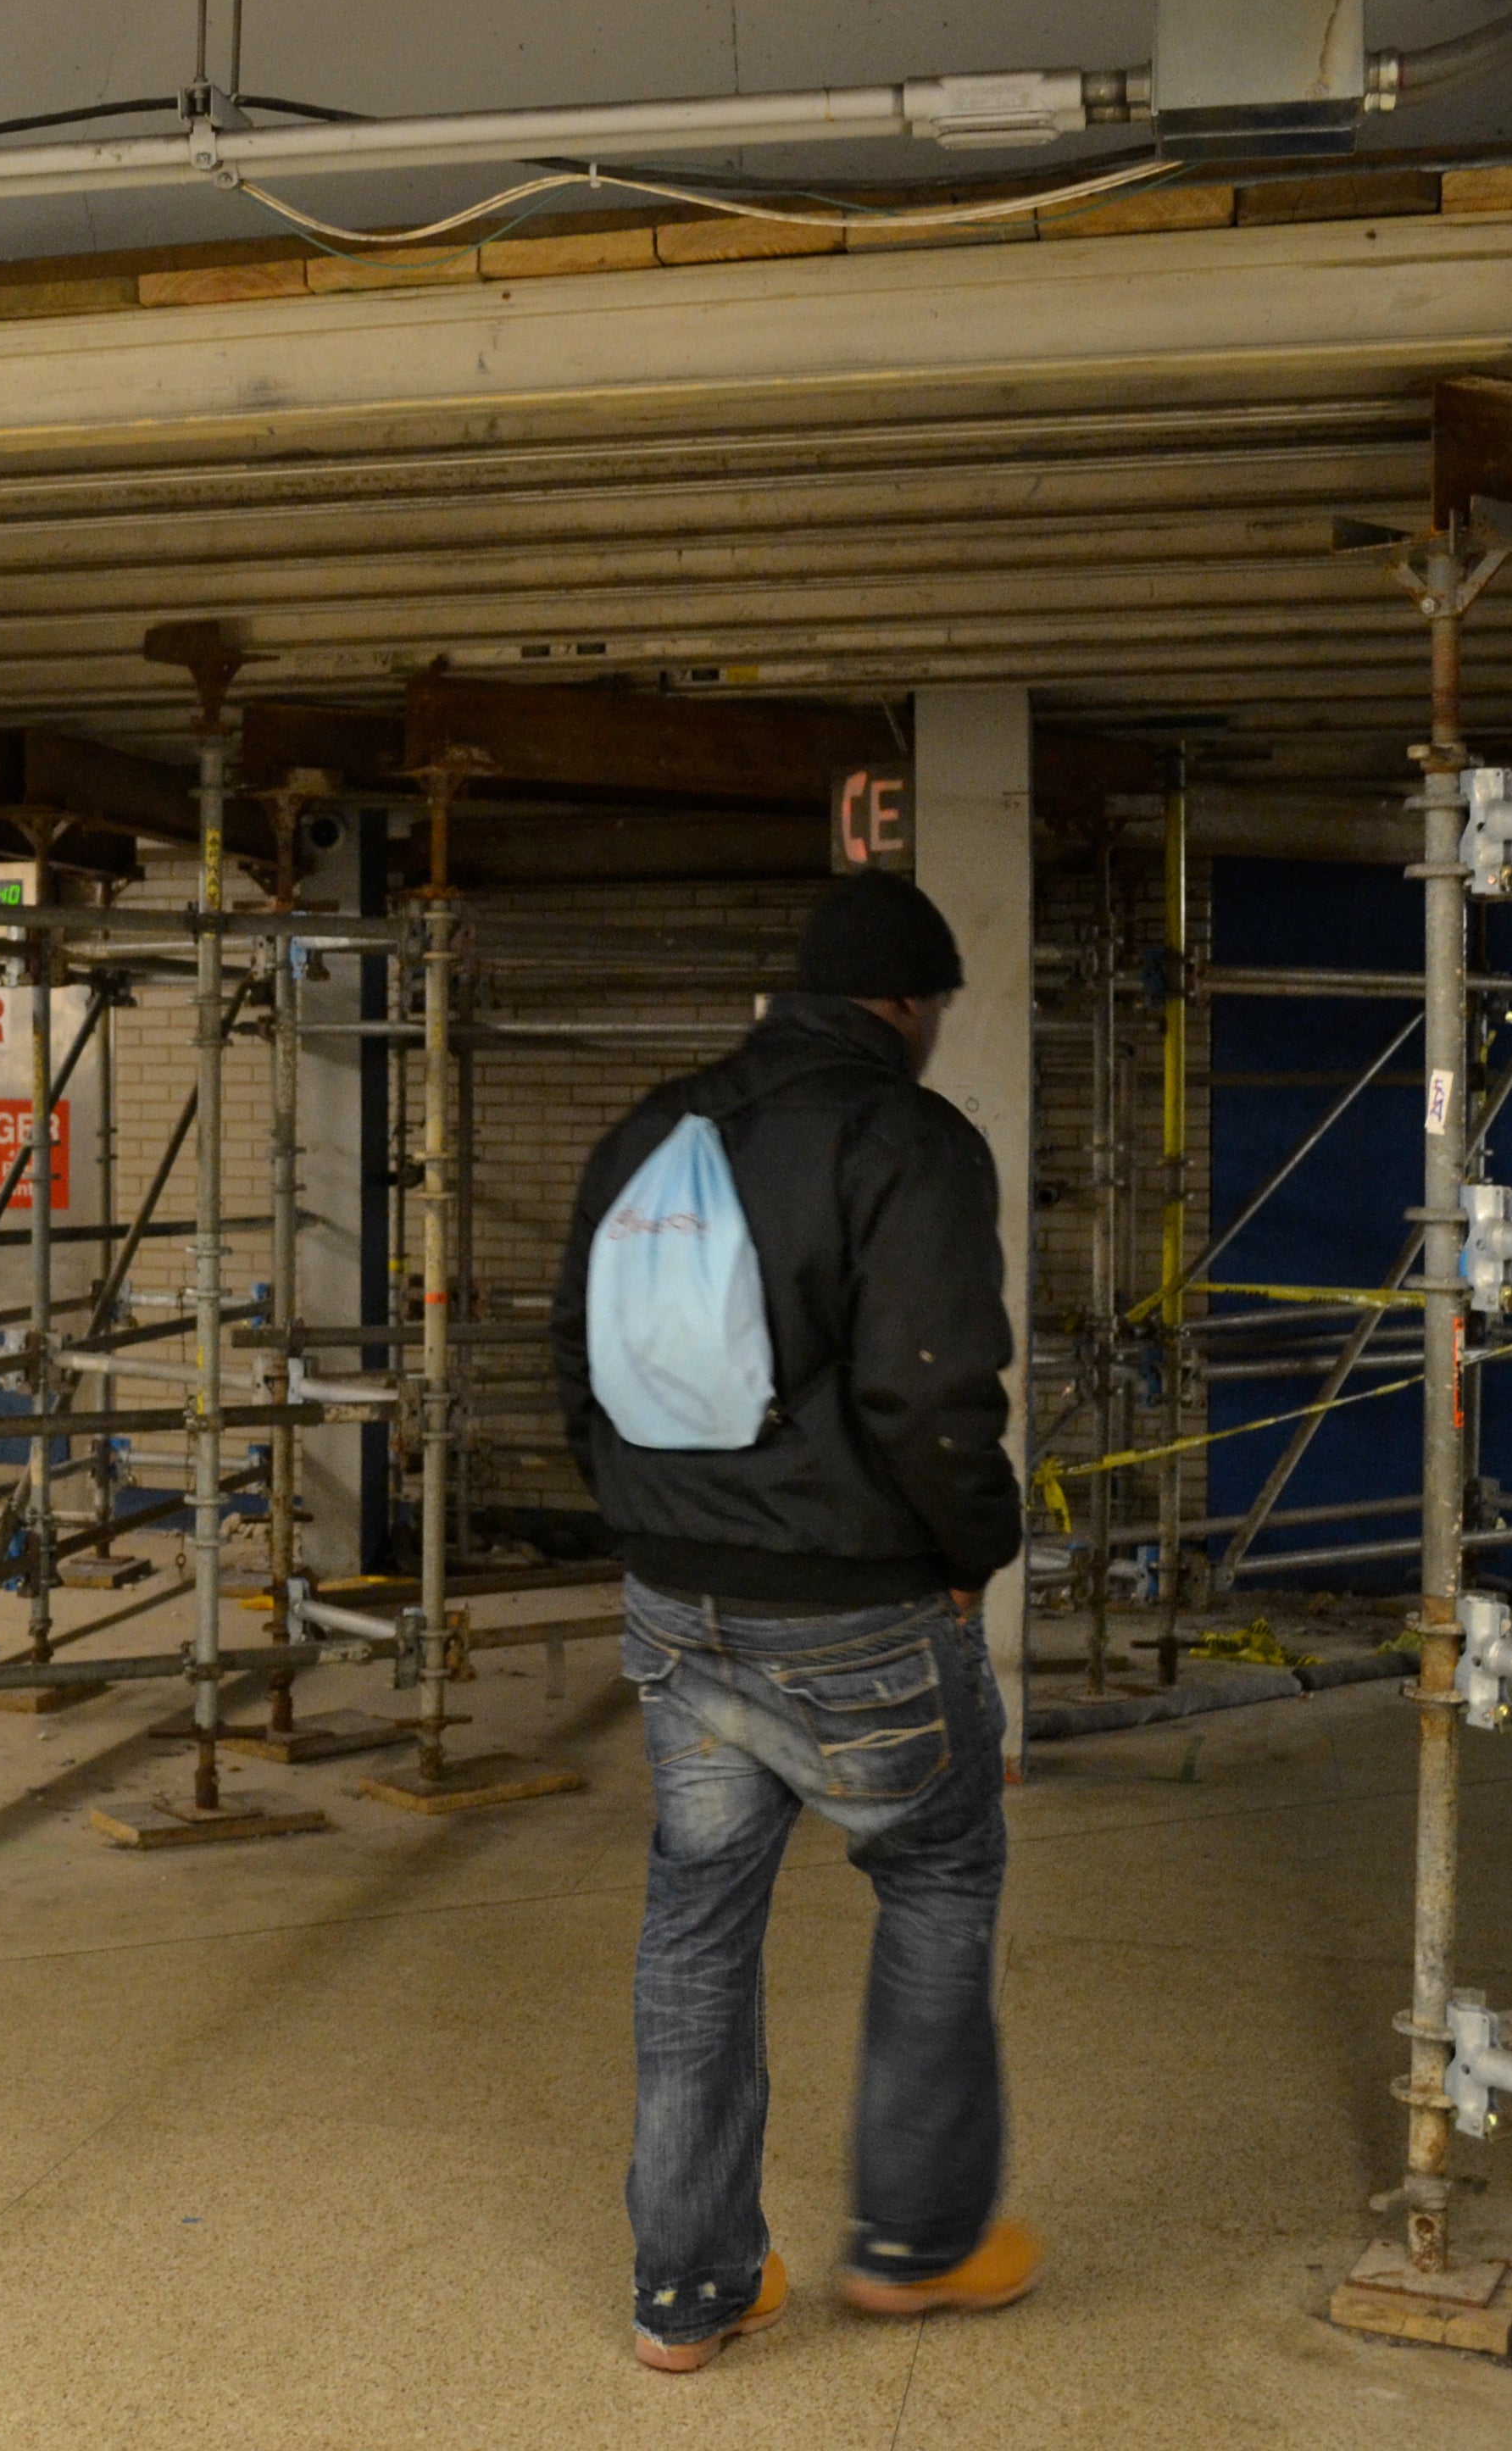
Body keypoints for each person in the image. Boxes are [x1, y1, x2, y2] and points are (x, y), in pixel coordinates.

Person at [548, 868, 1037, 2375]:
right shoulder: (908, 1139)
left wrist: (656, 1525)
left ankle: (689, 2294)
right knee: (939, 1873)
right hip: (858, 1611)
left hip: (677, 1608)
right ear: (906, 1002)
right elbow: (927, 1391)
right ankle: (917, 2246)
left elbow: (578, 1360)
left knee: (696, 1927)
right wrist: (975, 1551)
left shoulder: (656, 1128)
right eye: (938, 1006)